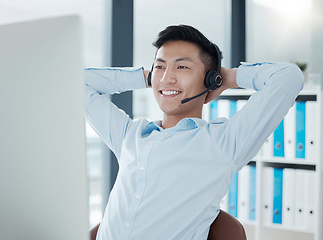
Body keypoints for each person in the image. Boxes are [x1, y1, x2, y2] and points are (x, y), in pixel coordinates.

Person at [84, 25, 303, 240]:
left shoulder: (222, 144)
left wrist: (227, 77)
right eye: (160, 66)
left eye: (182, 67)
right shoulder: (129, 135)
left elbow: (288, 77)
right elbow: (78, 82)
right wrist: (146, 77)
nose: (167, 78)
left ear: (209, 80)